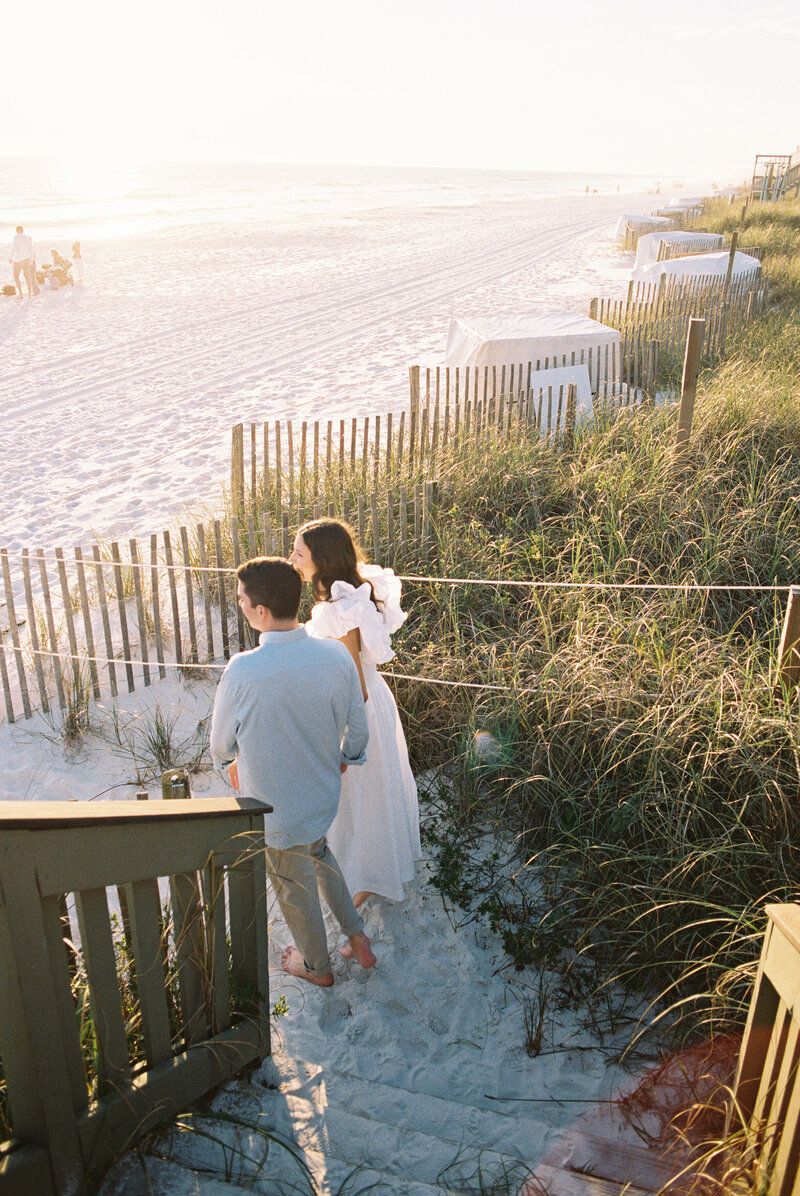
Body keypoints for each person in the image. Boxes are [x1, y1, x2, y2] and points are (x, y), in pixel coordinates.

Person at [210, 556, 376, 988]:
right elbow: (358, 730)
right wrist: (348, 758)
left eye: (243, 600)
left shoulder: (242, 670)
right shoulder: (335, 654)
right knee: (318, 852)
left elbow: (220, 746)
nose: (241, 606)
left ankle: (317, 968)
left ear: (261, 611)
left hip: (275, 811)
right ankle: (357, 938)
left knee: (292, 884)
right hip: (322, 796)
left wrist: (232, 765)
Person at [289, 519, 420, 908]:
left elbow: (353, 682)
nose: (291, 560)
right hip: (372, 701)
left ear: (322, 561)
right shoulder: (354, 593)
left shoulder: (338, 609)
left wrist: (345, 736)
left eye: (299, 553)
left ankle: (362, 883)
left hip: (357, 710)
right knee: (374, 792)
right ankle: (370, 872)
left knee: (361, 797)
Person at [8, 226, 38, 298]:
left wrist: (10, 257)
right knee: (27, 277)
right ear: (22, 230)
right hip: (27, 259)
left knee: (16, 276)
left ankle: (21, 294)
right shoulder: (27, 238)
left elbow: (14, 248)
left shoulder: (16, 237)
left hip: (18, 260)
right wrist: (30, 261)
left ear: (17, 230)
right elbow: (31, 250)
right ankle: (29, 294)